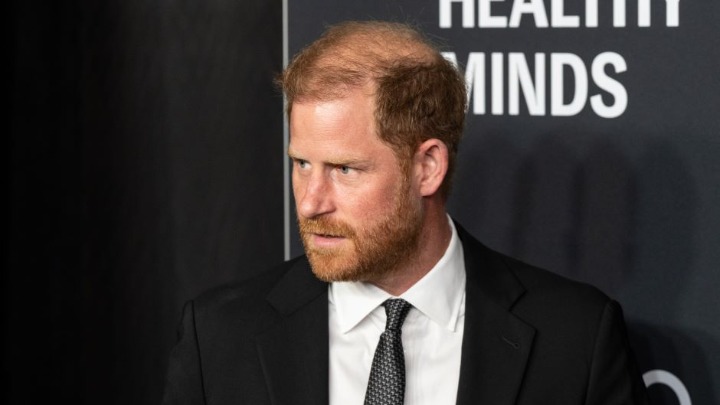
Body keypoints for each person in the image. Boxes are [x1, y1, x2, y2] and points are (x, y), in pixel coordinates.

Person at [162, 21, 648, 404]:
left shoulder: (576, 340)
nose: (310, 202)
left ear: (427, 167)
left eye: (345, 169)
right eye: (301, 164)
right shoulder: (219, 338)